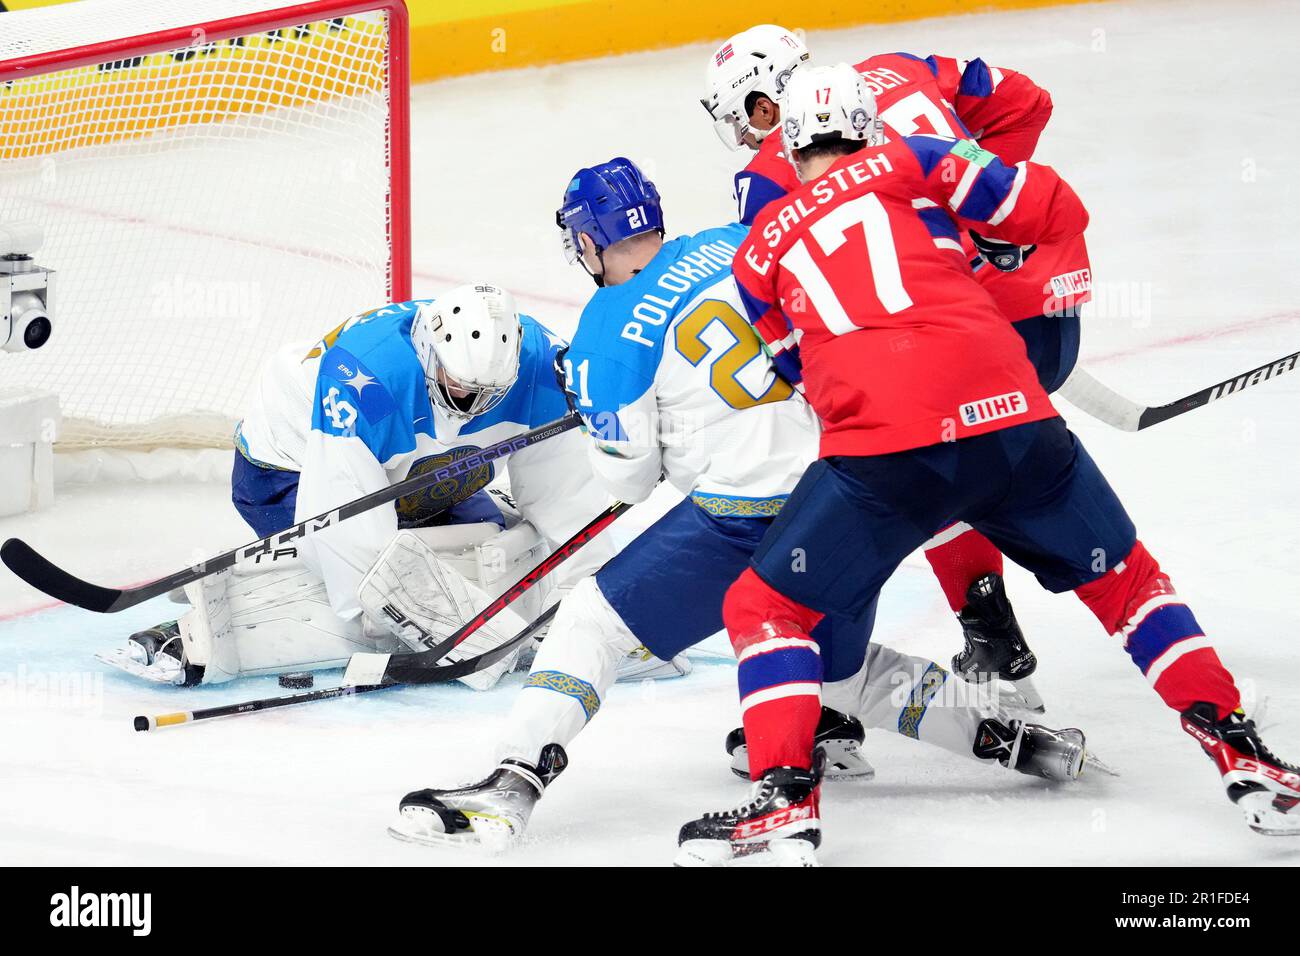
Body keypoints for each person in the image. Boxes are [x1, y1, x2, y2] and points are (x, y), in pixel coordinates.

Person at [676, 64, 1300, 866]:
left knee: (767, 609)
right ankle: (1244, 759)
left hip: (885, 452)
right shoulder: (919, 160)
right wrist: (977, 235)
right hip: (1014, 420)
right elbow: (1058, 208)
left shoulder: (759, 247)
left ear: (787, 143)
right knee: (1130, 585)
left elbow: (795, 370)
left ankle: (787, 803)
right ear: (867, 125)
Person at [387, 158, 1090, 851]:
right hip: (857, 490)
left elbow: (629, 481)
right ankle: (1018, 741)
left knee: (591, 625)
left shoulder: (607, 323)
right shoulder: (744, 240)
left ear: (585, 242)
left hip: (744, 515)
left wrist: (606, 406)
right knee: (840, 671)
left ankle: (509, 787)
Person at [701, 24, 1094, 694]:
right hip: (1052, 311)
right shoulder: (900, 65)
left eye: (743, 120)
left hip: (951, 346)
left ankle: (953, 639)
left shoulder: (766, 174)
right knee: (966, 458)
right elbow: (1026, 103)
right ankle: (1077, 606)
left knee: (903, 457)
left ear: (768, 108)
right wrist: (969, 213)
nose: (745, 137)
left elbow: (782, 289)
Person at [100, 283, 685, 690]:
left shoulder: (535, 363)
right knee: (355, 593)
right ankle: (188, 635)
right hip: (289, 468)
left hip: (420, 469)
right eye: (459, 390)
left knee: (498, 556)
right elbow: (348, 533)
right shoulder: (367, 378)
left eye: (488, 396)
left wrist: (609, 616)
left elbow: (568, 504)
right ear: (430, 351)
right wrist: (387, 620)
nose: (472, 404)